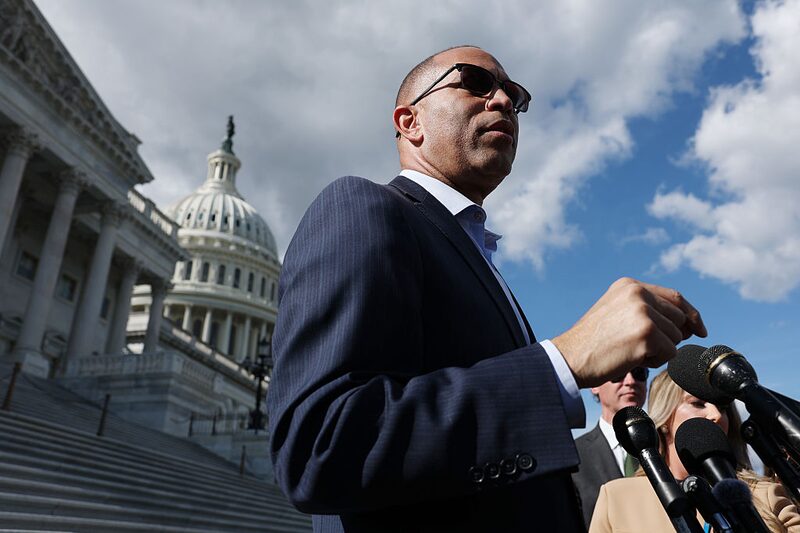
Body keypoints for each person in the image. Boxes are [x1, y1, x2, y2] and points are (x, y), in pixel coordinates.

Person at [267, 45, 707, 532]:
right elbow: (320, 445)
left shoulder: (480, 259)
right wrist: (563, 360)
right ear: (410, 121)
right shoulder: (361, 208)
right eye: (475, 83)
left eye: (514, 97)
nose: (502, 100)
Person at [589, 370, 800, 532]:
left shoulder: (765, 493)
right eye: (697, 403)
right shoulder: (616, 497)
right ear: (665, 419)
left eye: (723, 407)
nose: (716, 414)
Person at [573, 367, 649, 527]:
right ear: (594, 385)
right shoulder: (574, 456)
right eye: (618, 374)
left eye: (639, 373)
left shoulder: (668, 448)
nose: (630, 381)